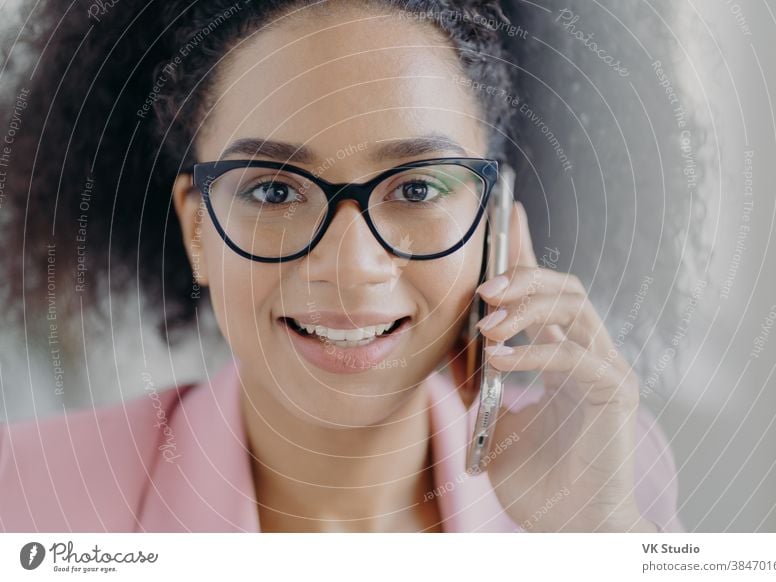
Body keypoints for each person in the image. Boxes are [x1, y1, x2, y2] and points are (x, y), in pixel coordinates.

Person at [0, 0, 682, 532]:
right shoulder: (28, 493)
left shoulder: (607, 468)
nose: (352, 269)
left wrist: (599, 538)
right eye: (273, 190)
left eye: (416, 188)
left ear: (497, 220)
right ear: (199, 228)